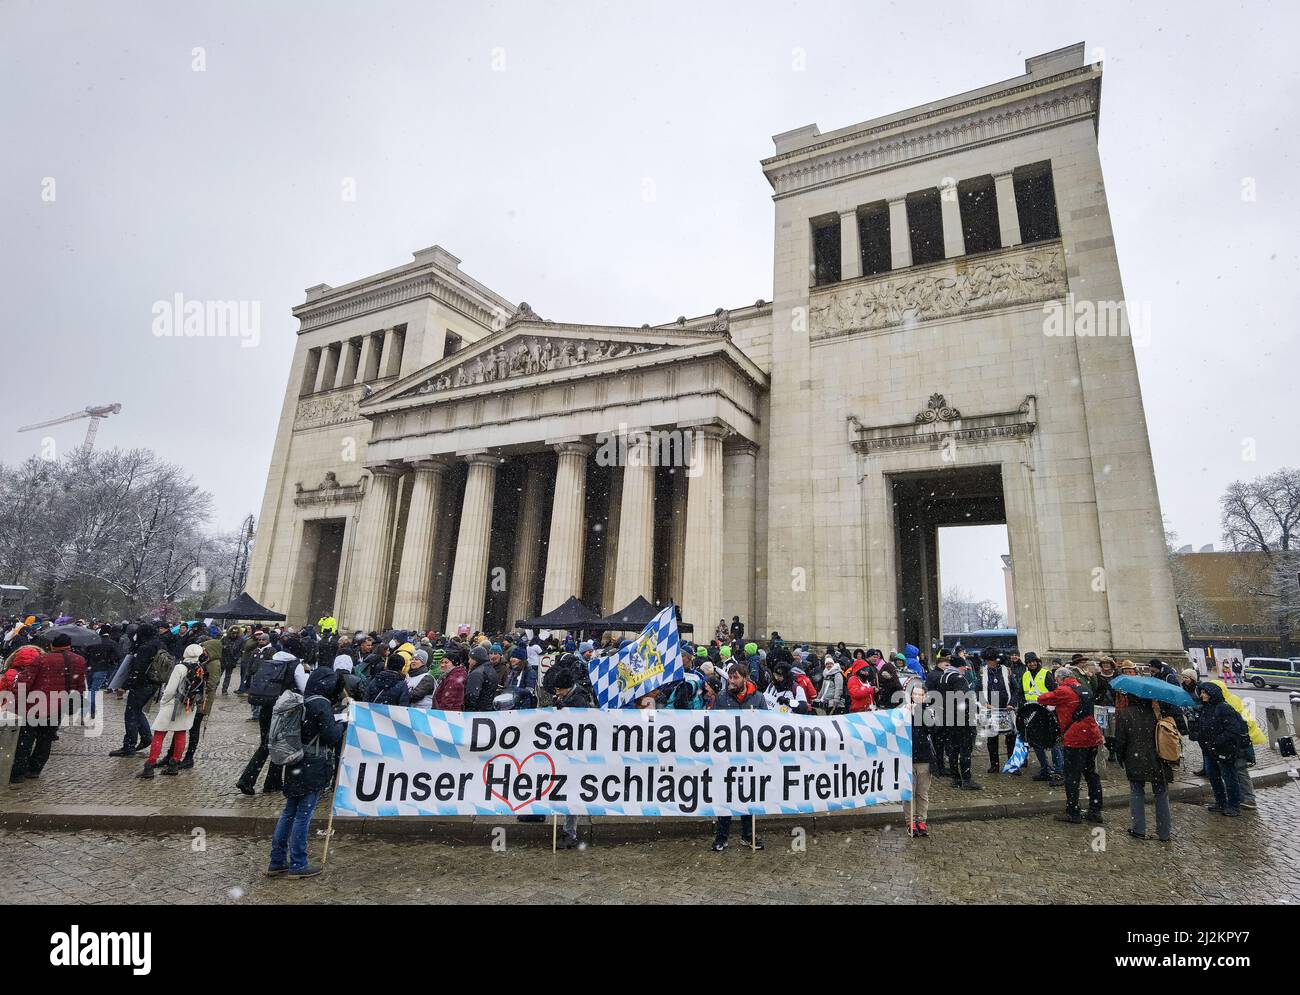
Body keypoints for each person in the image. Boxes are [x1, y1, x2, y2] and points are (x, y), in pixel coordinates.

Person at [266, 667, 347, 879]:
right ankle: (298, 863)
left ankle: (276, 861)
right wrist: (344, 722)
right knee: (303, 815)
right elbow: (331, 736)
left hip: (297, 760)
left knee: (288, 812)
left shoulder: (305, 700)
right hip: (314, 763)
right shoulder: (321, 704)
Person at [10, 632, 87, 782]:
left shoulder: (41, 659)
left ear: (53, 646)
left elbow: (25, 682)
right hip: (58, 706)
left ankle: (18, 773)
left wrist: (17, 698)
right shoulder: (79, 661)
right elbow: (80, 685)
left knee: (25, 740)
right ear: (69, 645)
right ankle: (34, 770)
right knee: (45, 739)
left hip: (34, 705)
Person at [710, 662, 766, 852]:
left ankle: (748, 834)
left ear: (745, 678)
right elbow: (714, 725)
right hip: (727, 754)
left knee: (747, 795)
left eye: (736, 677)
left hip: (750, 755)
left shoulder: (758, 698)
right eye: (730, 677)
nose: (732, 681)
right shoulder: (722, 697)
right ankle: (722, 835)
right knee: (725, 795)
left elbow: (766, 725)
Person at [1039, 667, 1105, 824]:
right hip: (1092, 735)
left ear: (1060, 679)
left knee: (1072, 776)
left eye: (1057, 680)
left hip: (1076, 737)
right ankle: (1095, 811)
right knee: (1091, 774)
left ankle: (1073, 812)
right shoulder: (1084, 688)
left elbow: (1042, 699)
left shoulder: (1063, 690)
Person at [236, 649, 298, 794]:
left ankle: (261, 780)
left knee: (266, 744)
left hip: (266, 707)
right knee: (278, 745)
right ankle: (263, 781)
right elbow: (303, 687)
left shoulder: (269, 664)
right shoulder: (293, 665)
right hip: (281, 710)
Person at [138, 644, 203, 778]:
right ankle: (174, 764)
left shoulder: (180, 667)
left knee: (159, 733)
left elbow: (170, 689)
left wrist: (164, 701)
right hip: (188, 704)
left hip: (173, 703)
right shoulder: (200, 667)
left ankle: (150, 765)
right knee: (180, 733)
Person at [1114, 695, 1173, 841]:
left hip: (1136, 759)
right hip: (1159, 758)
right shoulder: (1159, 713)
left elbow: (1121, 739)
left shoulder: (1125, 713)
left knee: (1137, 793)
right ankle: (1164, 832)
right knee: (1161, 794)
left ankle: (1138, 829)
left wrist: (1119, 757)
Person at [551, 668, 592, 848]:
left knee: (571, 791)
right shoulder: (571, 697)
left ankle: (570, 833)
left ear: (568, 688)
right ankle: (569, 830)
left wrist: (564, 710)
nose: (557, 692)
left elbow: (578, 724)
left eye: (560, 689)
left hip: (575, 753)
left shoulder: (579, 701)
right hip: (568, 751)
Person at [1198, 683, 1248, 817]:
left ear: (1212, 694)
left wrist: (1217, 741)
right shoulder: (1205, 708)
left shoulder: (1224, 708)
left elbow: (1233, 730)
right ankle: (1220, 802)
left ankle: (1233, 805)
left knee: (1229, 777)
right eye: (1201, 692)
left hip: (1224, 750)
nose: (1202, 695)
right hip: (1209, 750)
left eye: (1205, 693)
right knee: (1214, 777)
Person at [1016, 652, 1062, 783]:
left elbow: (1054, 692)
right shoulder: (1024, 676)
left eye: (1033, 661)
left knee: (1053, 742)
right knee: (1036, 743)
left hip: (1046, 712)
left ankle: (1059, 770)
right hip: (1031, 714)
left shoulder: (1046, 674)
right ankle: (1045, 770)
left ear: (1037, 661)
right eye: (1029, 662)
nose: (1031, 664)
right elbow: (1020, 693)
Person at [180, 638, 220, 769]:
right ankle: (175, 755)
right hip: (196, 699)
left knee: (194, 729)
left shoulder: (214, 664)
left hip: (202, 702)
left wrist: (198, 685)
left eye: (205, 648)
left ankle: (189, 757)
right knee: (185, 728)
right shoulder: (205, 661)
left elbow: (212, 684)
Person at [942, 655, 980, 790]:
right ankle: (966, 780)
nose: (965, 669)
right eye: (964, 667)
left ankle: (956, 778)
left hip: (947, 718)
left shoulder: (943, 677)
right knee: (965, 749)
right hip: (962, 719)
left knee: (952, 749)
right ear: (960, 667)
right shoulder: (958, 678)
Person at [978, 648, 1015, 773]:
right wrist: (984, 703)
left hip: (1006, 709)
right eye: (987, 660)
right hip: (990, 709)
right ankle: (994, 765)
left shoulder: (1007, 671)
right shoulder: (982, 672)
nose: (988, 663)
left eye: (991, 660)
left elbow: (1016, 689)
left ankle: (1012, 765)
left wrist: (1012, 703)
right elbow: (977, 690)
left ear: (997, 660)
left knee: (1010, 738)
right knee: (992, 738)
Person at [908, 681, 935, 837]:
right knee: (909, 792)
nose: (917, 697)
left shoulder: (928, 711)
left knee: (922, 792)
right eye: (915, 694)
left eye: (921, 694)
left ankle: (921, 820)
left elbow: (932, 729)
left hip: (924, 756)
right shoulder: (904, 711)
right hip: (908, 756)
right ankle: (910, 820)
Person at [81, 625, 121, 721]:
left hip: (90, 669)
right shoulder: (112, 643)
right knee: (93, 691)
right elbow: (117, 656)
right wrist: (110, 661)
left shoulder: (92, 642)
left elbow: (84, 654)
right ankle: (87, 711)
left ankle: (88, 711)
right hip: (102, 669)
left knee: (90, 689)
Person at [462, 643, 500, 712]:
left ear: (476, 659)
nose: (468, 661)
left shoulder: (477, 673)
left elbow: (471, 696)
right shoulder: (491, 669)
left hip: (476, 712)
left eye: (470, 659)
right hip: (487, 710)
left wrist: (469, 709)